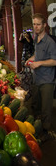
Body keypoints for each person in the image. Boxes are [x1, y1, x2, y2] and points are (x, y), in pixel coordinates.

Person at [27, 13, 56, 142]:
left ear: (45, 25)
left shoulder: (50, 42)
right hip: (36, 78)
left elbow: (54, 61)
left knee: (46, 108)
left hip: (47, 81)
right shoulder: (36, 39)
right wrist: (31, 59)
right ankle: (38, 129)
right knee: (36, 105)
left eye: (38, 24)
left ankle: (47, 131)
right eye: (34, 24)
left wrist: (39, 63)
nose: (36, 27)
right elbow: (37, 55)